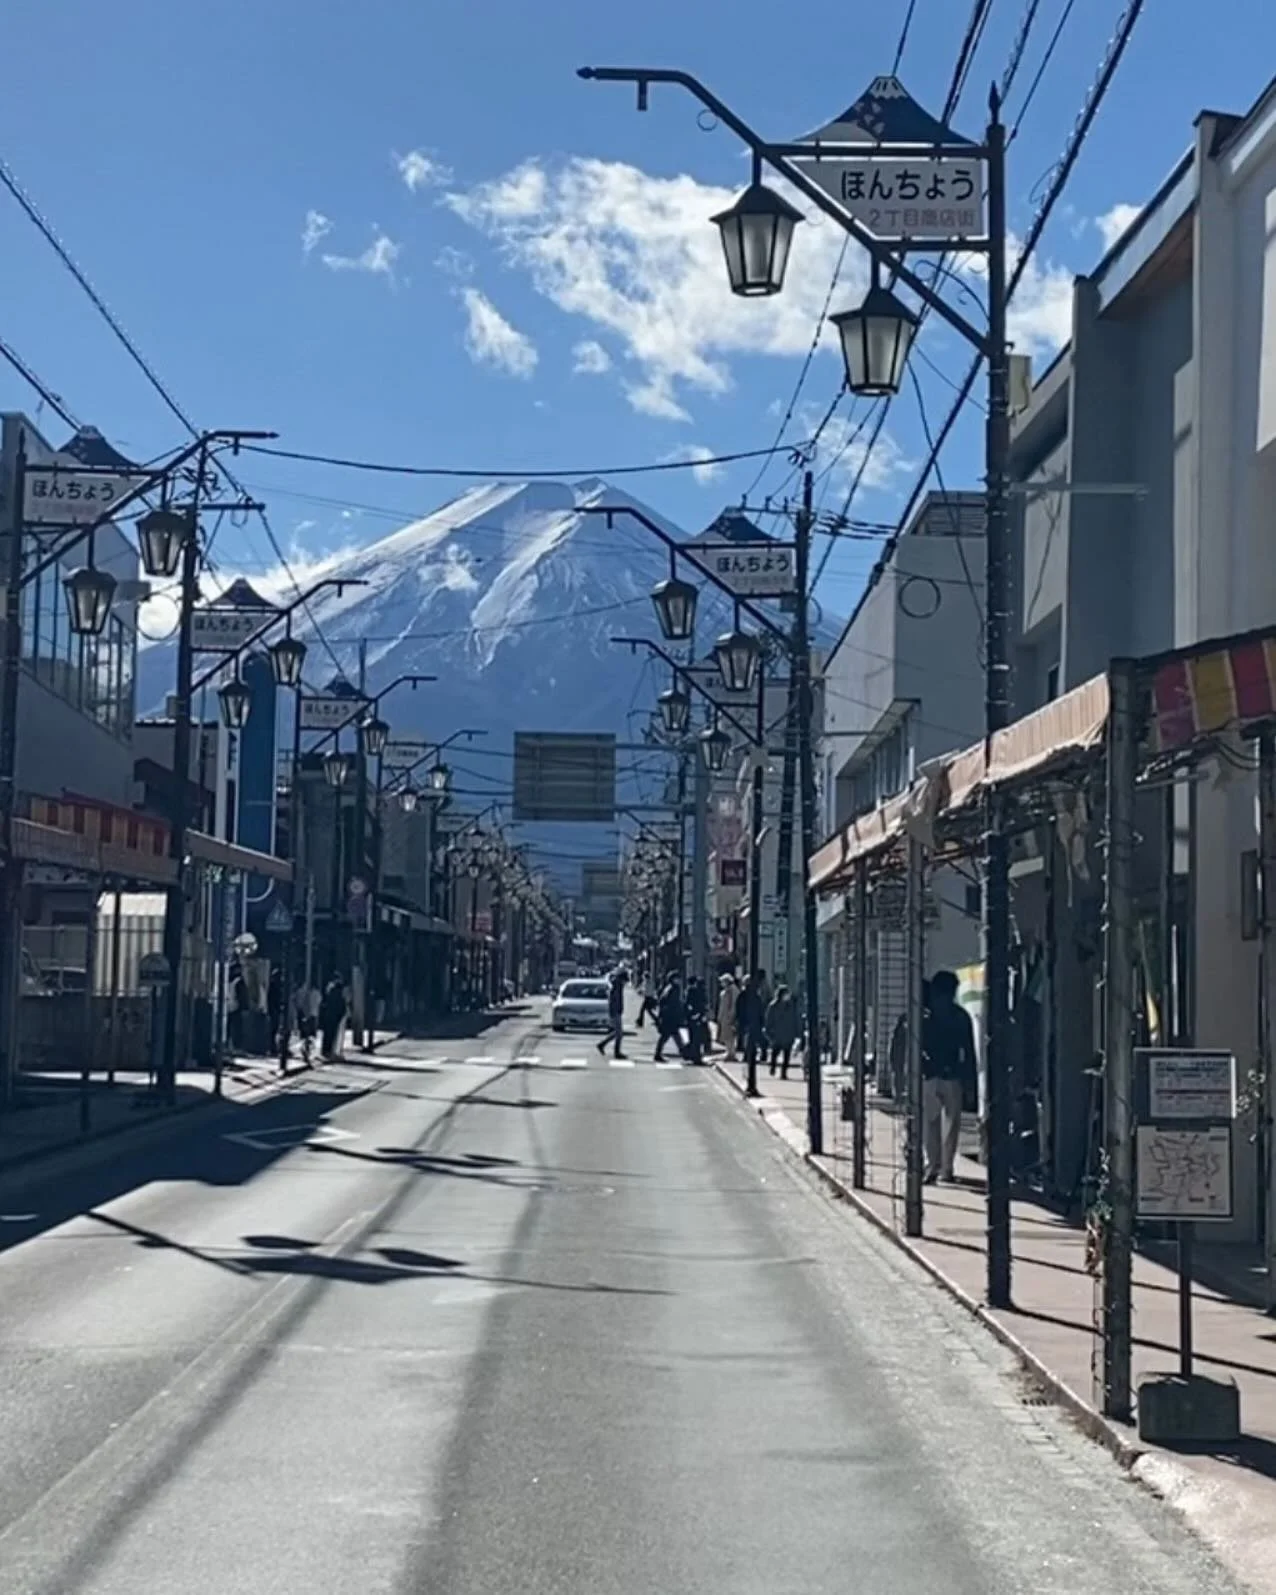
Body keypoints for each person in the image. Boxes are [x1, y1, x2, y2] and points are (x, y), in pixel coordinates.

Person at [922, 969, 977, 1184]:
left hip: (931, 1075)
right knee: (949, 1124)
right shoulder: (959, 1016)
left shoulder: (926, 1016)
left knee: (931, 1123)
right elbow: (969, 1051)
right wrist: (970, 1079)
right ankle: (945, 1168)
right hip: (951, 1074)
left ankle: (934, 1165)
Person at [736, 970, 766, 1079]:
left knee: (750, 1039)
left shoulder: (744, 995)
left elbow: (739, 1009)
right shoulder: (753, 995)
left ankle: (749, 1056)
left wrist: (739, 1019)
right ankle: (751, 1055)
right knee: (753, 1039)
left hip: (747, 1020)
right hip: (753, 1020)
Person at [765, 984, 799, 1080]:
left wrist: (796, 1032)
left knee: (787, 1055)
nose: (787, 996)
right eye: (785, 994)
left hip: (788, 1033)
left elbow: (794, 1019)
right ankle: (773, 1066)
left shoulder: (791, 1006)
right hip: (777, 1034)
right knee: (775, 1053)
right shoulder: (773, 1006)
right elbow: (768, 1020)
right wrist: (769, 1031)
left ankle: (784, 1073)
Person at [597, 966, 628, 1058]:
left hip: (616, 1010)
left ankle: (602, 1044)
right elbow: (615, 1000)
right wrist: (617, 1010)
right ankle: (616, 1052)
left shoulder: (616, 985)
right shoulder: (616, 986)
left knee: (618, 1033)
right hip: (615, 1011)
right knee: (619, 1034)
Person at [653, 975, 686, 1062]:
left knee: (674, 1034)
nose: (679, 980)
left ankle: (683, 1052)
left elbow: (662, 1001)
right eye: (677, 978)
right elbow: (674, 1003)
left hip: (668, 1015)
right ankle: (658, 1054)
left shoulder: (669, 988)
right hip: (670, 1016)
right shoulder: (674, 989)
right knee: (667, 1035)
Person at [319, 975, 347, 1062]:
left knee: (328, 1035)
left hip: (329, 1016)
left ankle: (326, 1051)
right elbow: (341, 1006)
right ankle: (331, 1052)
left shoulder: (331, 991)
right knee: (334, 1035)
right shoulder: (337, 993)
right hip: (335, 1017)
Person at [684, 974, 708, 1064]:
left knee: (695, 1038)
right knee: (697, 1038)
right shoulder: (695, 991)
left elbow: (688, 1004)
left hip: (694, 1017)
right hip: (697, 1017)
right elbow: (700, 1005)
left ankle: (694, 1056)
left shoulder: (692, 991)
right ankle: (696, 1056)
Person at [716, 972, 739, 1060]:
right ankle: (729, 1052)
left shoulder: (732, 990)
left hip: (729, 1016)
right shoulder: (725, 991)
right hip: (724, 1016)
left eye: (723, 981)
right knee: (725, 1035)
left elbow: (734, 1004)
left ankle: (731, 1053)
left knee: (730, 1036)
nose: (722, 983)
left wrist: (732, 1015)